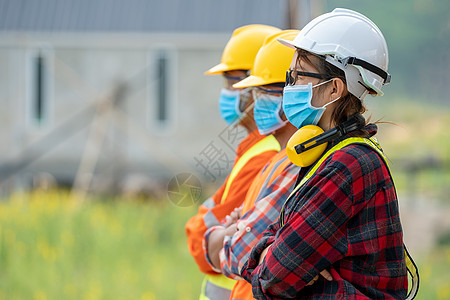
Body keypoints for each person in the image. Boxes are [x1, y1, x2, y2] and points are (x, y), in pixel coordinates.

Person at [242, 8, 412, 299]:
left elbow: (272, 279)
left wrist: (284, 263)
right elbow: (270, 261)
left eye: (297, 76)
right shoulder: (328, 155)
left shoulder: (348, 165)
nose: (289, 87)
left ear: (334, 88)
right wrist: (275, 255)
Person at [202, 30, 302, 300]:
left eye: (262, 91)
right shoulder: (274, 154)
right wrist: (234, 230)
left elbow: (231, 249)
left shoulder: (288, 160)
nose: (251, 99)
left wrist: (228, 232)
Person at [185, 24, 281, 300]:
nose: (226, 92)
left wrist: (204, 232)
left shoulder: (265, 155)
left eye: (230, 81)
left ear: (254, 86)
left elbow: (200, 243)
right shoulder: (252, 149)